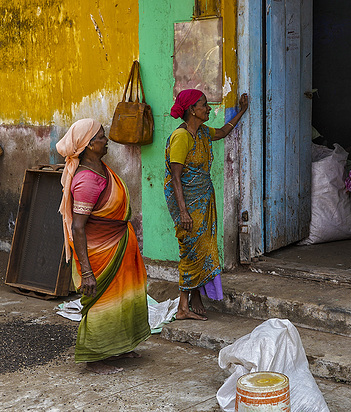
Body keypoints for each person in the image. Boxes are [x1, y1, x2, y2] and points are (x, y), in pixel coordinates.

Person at [56, 118, 150, 374]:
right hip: (102, 252)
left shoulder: (101, 169)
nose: (106, 140)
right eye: (100, 137)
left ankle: (120, 346)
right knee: (102, 303)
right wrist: (86, 271)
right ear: (87, 145)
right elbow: (78, 226)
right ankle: (95, 357)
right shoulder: (87, 180)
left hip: (119, 244)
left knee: (124, 297)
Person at [165, 89, 249, 321]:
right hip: (187, 203)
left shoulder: (201, 132)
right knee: (191, 249)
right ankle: (183, 307)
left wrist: (241, 111)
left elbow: (222, 132)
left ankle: (194, 297)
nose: (208, 108)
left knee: (204, 247)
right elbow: (175, 177)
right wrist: (183, 211)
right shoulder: (182, 137)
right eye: (204, 104)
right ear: (192, 110)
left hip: (203, 199)